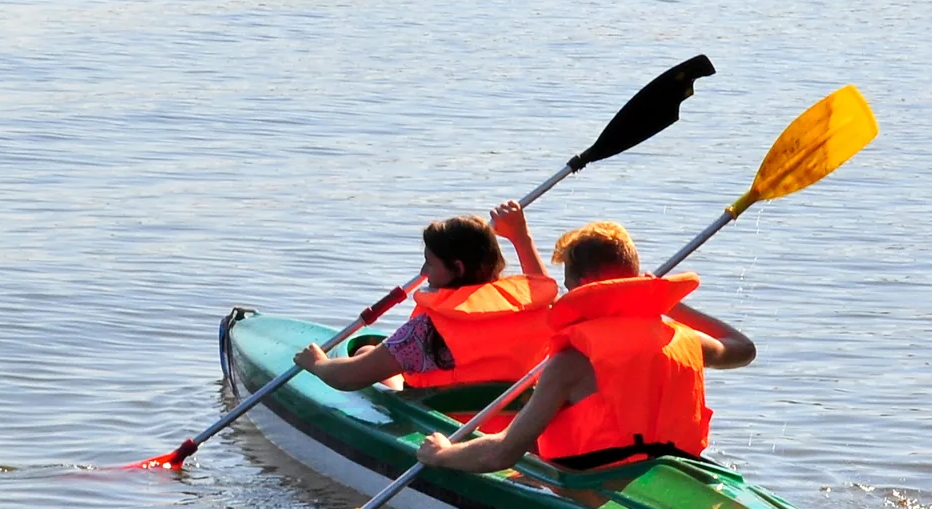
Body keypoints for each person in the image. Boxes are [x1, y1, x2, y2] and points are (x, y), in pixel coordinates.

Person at [413, 221, 755, 475]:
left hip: (591, 483)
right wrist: (669, 304)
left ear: (583, 285)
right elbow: (741, 348)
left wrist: (442, 454)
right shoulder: (684, 338)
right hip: (676, 472)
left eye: (568, 284)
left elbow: (501, 454)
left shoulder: (571, 362)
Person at [292, 202, 557, 411]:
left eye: (429, 262)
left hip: (444, 427)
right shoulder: (534, 309)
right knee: (368, 349)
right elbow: (540, 287)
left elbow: (348, 378)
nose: (423, 271)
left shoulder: (427, 331)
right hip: (512, 425)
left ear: (457, 268)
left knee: (364, 352)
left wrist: (317, 364)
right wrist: (521, 237)